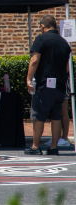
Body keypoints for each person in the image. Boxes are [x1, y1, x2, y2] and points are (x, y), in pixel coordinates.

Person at [26, 15, 71, 156]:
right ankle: (53, 147)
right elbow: (66, 68)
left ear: (42, 26)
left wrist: (28, 79)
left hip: (45, 84)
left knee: (39, 115)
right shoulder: (64, 43)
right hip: (60, 85)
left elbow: (34, 60)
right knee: (56, 115)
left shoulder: (41, 39)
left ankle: (35, 147)